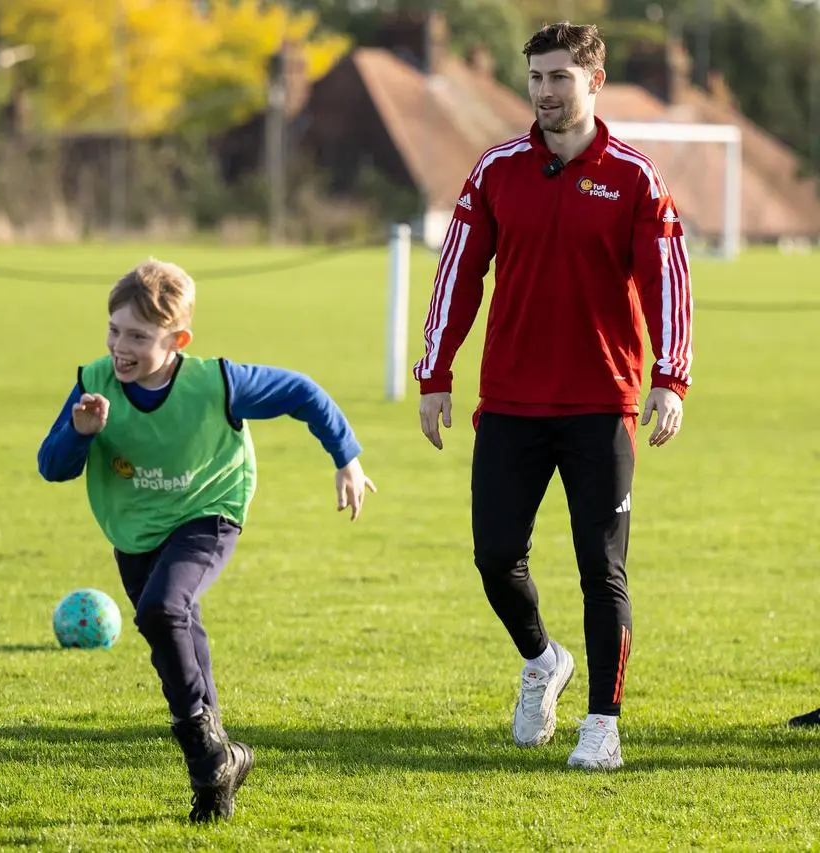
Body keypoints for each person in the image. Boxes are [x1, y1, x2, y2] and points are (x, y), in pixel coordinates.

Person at [412, 22, 693, 770]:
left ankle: (603, 723)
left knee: (601, 569)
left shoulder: (635, 178)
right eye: (536, 78)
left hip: (602, 401)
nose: (545, 92)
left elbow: (670, 282)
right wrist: (435, 373)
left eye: (560, 77)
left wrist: (671, 378)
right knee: (494, 555)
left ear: (594, 82)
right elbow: (457, 275)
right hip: (509, 400)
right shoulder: (497, 169)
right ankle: (542, 660)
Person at [37, 258, 376, 822]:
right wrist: (80, 432)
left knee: (164, 610)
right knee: (176, 636)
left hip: (208, 512)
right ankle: (216, 776)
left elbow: (302, 392)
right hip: (136, 530)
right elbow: (52, 467)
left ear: (178, 341)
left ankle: (206, 755)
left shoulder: (216, 383)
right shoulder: (94, 383)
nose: (121, 346)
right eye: (114, 330)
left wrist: (346, 457)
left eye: (139, 337)